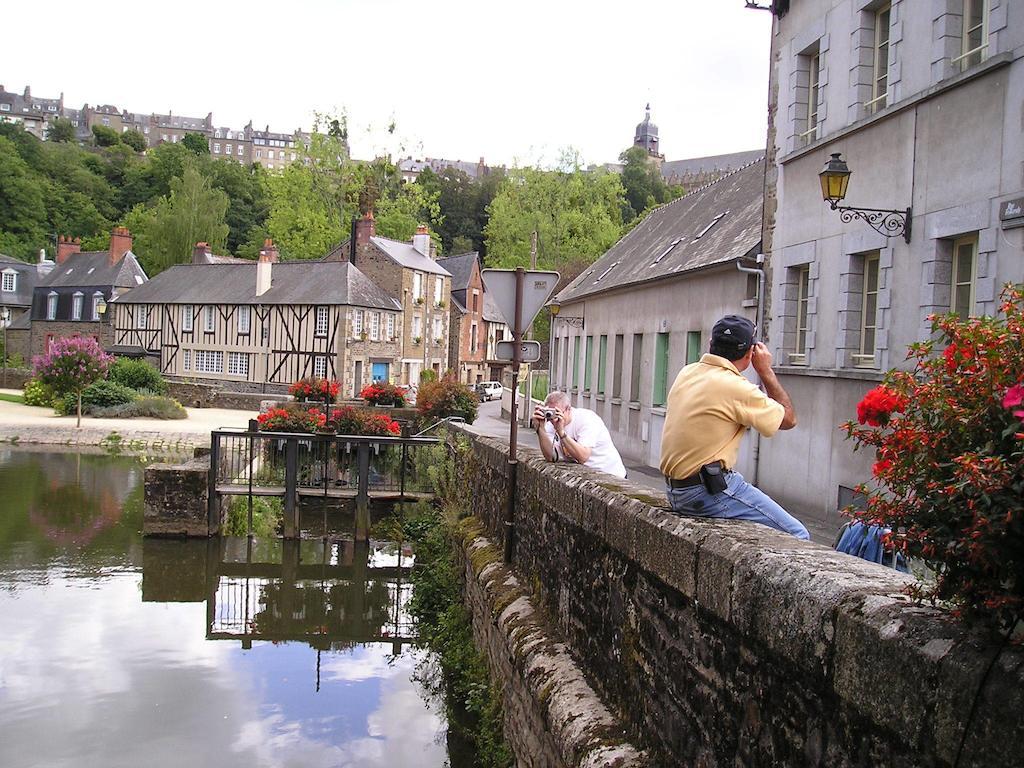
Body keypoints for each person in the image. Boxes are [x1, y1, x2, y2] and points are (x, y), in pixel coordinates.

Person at [659, 315, 809, 539]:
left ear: (711, 344)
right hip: (705, 491)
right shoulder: (736, 387)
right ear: (750, 354)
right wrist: (766, 371)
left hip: (676, 490)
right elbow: (788, 419)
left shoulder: (687, 372)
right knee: (798, 535)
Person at [532, 391, 627, 479]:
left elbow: (583, 457)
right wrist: (541, 429)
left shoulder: (586, 419)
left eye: (556, 412)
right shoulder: (551, 423)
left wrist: (561, 432)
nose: (553, 418)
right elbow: (551, 457)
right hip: (586, 477)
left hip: (611, 475)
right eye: (549, 413)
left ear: (568, 409)